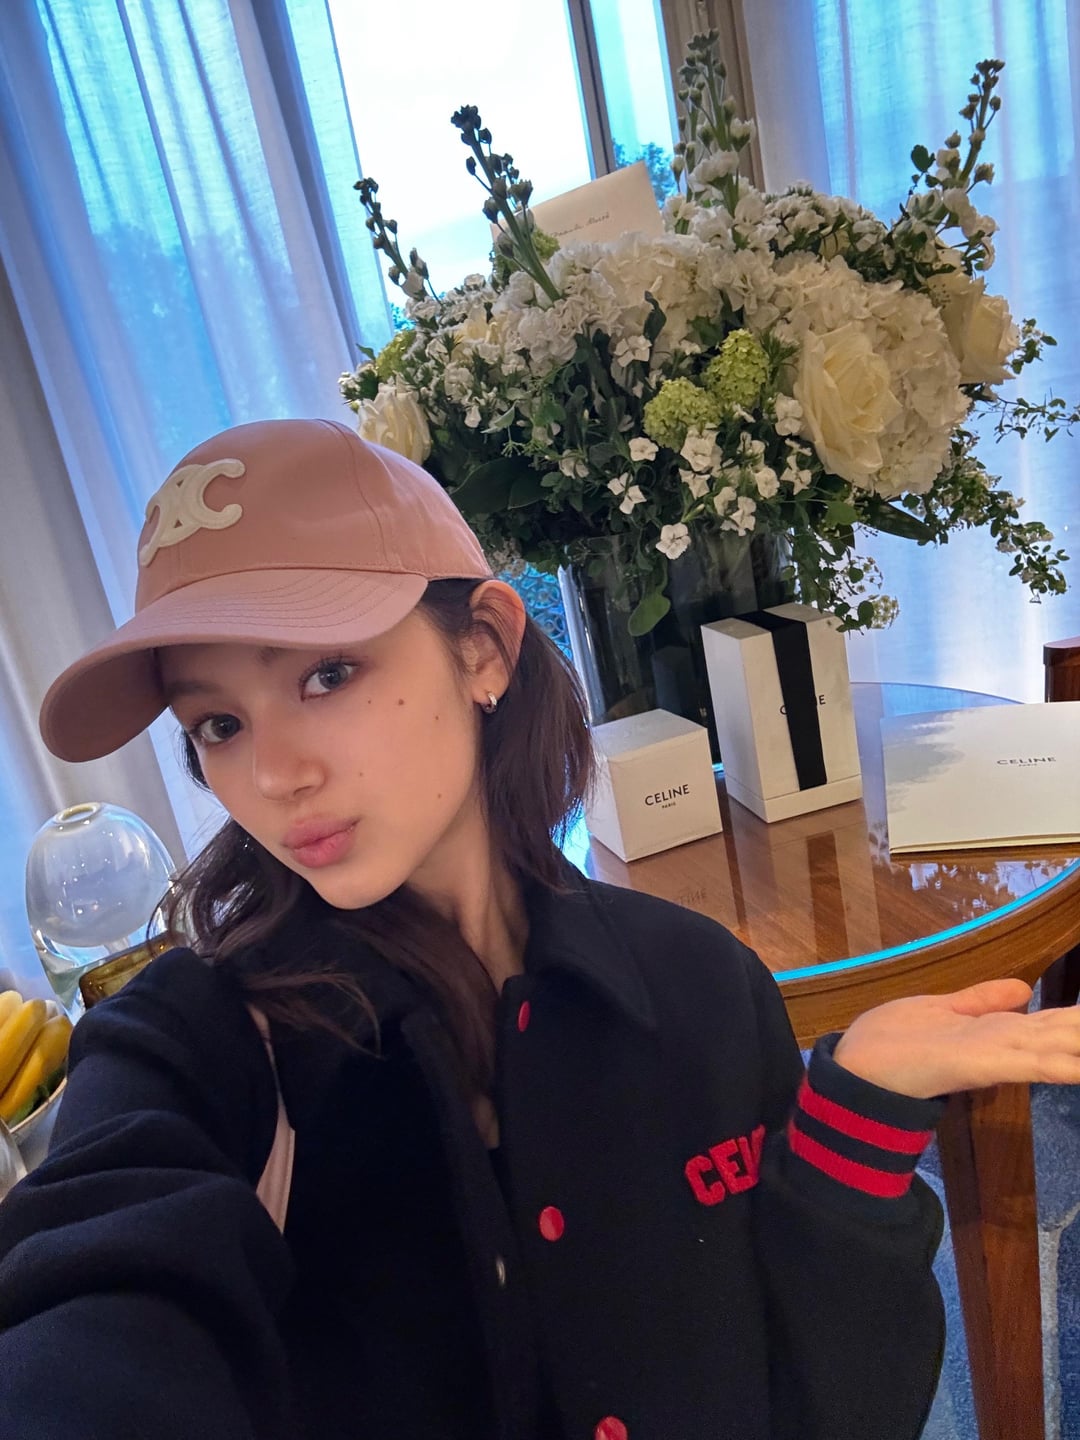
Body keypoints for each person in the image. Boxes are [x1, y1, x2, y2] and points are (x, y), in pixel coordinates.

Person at [2, 418, 1079, 1440]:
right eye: (219, 724)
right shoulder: (191, 1044)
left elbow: (823, 1407)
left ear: (483, 647)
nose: (274, 775)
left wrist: (855, 1120)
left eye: (326, 674)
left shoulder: (699, 983)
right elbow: (94, 1296)